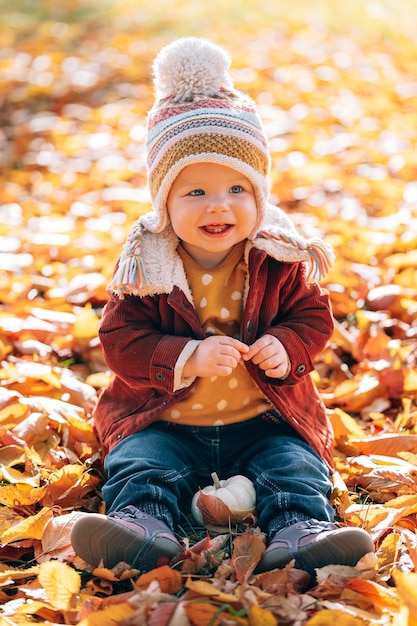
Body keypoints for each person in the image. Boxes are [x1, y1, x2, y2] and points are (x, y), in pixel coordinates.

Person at [71, 37, 374, 576]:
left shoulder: (276, 257)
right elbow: (120, 340)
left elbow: (313, 315)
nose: (219, 205)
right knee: (142, 463)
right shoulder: (148, 265)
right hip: (166, 420)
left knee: (293, 466)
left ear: (260, 196)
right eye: (194, 192)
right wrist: (185, 355)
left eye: (238, 188)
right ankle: (141, 526)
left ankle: (302, 532)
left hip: (263, 419)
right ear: (163, 201)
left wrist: (288, 345)